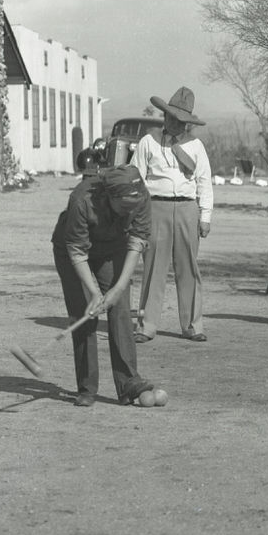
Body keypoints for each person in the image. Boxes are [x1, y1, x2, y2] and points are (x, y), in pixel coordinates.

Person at [51, 164, 164, 407]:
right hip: (71, 249)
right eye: (124, 207)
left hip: (112, 246)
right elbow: (77, 251)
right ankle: (86, 388)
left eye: (132, 207)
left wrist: (118, 288)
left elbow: (137, 241)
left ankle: (128, 383)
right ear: (110, 196)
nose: (128, 212)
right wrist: (93, 292)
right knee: (85, 311)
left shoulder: (140, 197)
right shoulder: (81, 200)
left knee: (120, 307)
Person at [133, 86, 213, 343]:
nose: (173, 122)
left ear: (187, 123)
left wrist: (205, 216)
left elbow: (204, 182)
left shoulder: (196, 146)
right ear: (164, 116)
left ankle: (192, 325)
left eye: (179, 120)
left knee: (188, 268)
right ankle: (146, 326)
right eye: (169, 117)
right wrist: (138, 214)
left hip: (187, 209)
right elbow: (136, 178)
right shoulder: (148, 141)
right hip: (156, 208)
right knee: (153, 268)